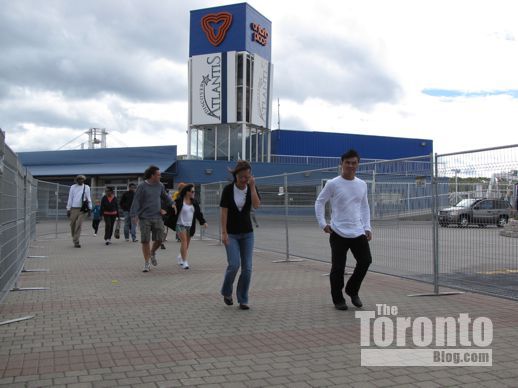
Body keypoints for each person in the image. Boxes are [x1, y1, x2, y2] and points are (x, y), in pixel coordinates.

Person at [315, 149, 372, 311]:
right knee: (338, 268)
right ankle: (338, 298)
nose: (351, 166)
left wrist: (367, 226)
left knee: (366, 261)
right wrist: (322, 223)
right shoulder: (333, 183)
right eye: (347, 162)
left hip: (358, 231)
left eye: (354, 163)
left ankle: (352, 290)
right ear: (342, 164)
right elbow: (320, 202)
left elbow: (364, 206)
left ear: (358, 164)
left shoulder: (362, 184)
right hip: (338, 231)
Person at [220, 160, 261, 310]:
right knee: (234, 265)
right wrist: (223, 232)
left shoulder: (251, 187)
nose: (244, 180)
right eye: (241, 177)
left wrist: (251, 188)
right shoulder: (228, 190)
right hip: (231, 234)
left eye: (247, 177)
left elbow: (256, 205)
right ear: (236, 175)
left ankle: (243, 299)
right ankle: (226, 291)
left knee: (248, 268)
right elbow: (224, 212)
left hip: (247, 234)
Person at [130, 165, 174, 272]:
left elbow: (165, 196)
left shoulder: (160, 186)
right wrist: (134, 215)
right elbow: (136, 201)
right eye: (158, 175)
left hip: (157, 217)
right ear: (152, 175)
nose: (160, 176)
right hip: (144, 217)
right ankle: (146, 263)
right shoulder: (142, 186)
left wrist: (172, 203)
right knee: (145, 240)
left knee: (159, 239)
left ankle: (152, 252)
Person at [168, 183, 208, 269]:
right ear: (187, 192)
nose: (193, 193)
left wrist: (203, 222)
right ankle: (185, 261)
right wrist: (171, 207)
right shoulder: (179, 201)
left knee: (187, 244)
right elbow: (171, 209)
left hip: (190, 225)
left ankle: (180, 256)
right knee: (184, 241)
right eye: (192, 191)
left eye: (194, 191)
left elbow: (198, 213)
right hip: (180, 224)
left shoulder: (194, 202)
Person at [66, 174, 92, 248]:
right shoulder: (73, 187)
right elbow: (70, 198)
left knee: (79, 224)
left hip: (82, 209)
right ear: (77, 180)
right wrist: (68, 209)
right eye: (79, 179)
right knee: (72, 224)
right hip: (74, 208)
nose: (81, 181)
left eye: (82, 179)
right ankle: (74, 236)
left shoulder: (86, 187)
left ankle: (76, 241)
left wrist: (90, 209)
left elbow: (88, 198)